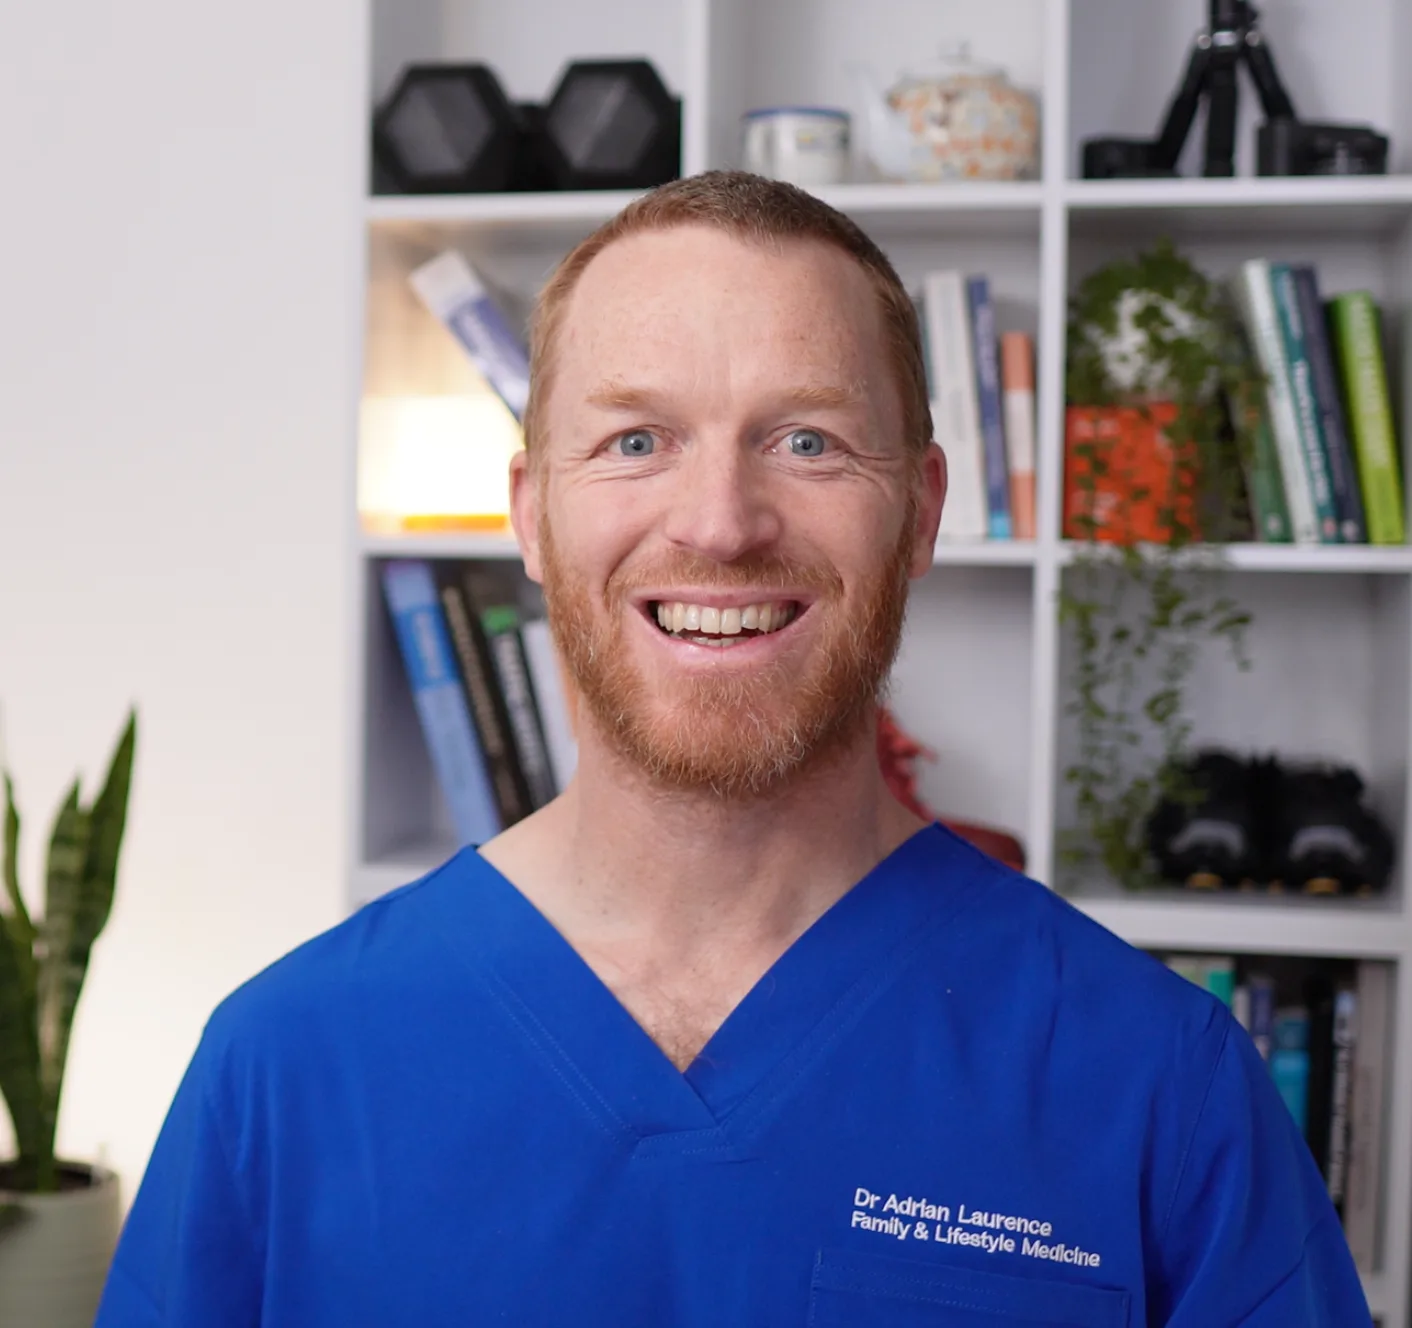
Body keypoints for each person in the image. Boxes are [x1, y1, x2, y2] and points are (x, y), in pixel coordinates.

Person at [96, 172, 1370, 1326]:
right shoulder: (286, 1063)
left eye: (806, 438)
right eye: (635, 440)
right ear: (531, 512)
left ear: (919, 513)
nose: (718, 523)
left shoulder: (1160, 1085)